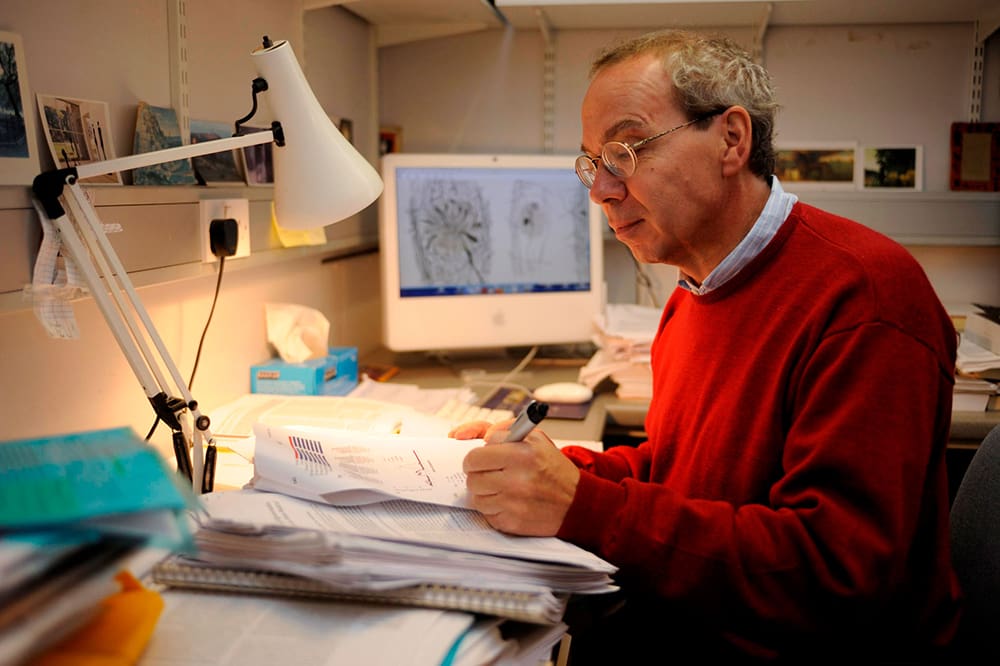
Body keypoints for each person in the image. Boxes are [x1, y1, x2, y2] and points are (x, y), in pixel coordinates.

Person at [451, 29, 962, 663]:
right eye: (591, 162)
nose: (600, 190)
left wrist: (586, 506)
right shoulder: (694, 293)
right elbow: (682, 478)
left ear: (731, 139)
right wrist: (559, 471)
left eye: (626, 149)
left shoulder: (866, 299)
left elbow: (831, 577)